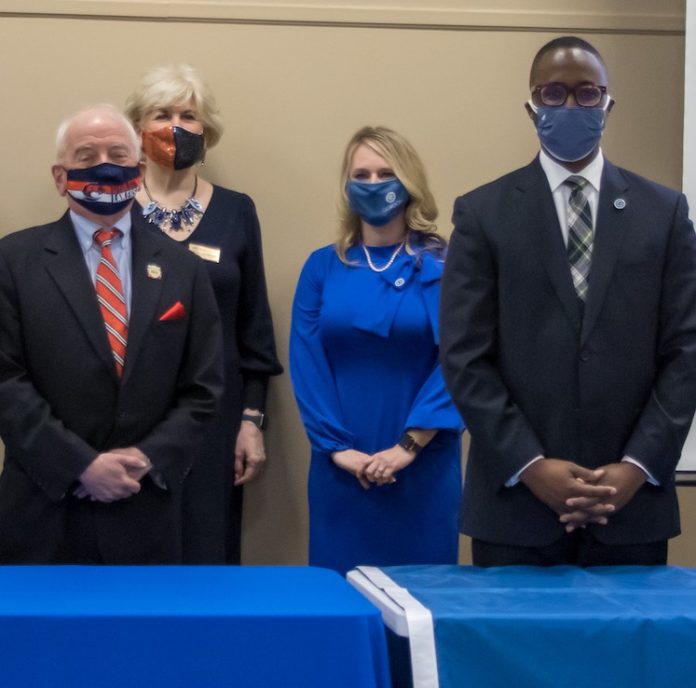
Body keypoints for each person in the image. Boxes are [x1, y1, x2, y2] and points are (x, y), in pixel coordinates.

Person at [440, 36, 696, 567]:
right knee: (514, 653)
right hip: (515, 507)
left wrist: (636, 465)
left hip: (631, 507)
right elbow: (465, 358)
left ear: (608, 104)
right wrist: (530, 464)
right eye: (553, 94)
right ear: (531, 107)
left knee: (628, 654)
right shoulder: (482, 213)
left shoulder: (664, 213)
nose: (570, 106)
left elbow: (686, 352)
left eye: (586, 93)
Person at [0, 104, 224, 563]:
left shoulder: (183, 268)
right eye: (86, 156)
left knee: (146, 636)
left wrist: (145, 459)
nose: (104, 165)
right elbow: (5, 381)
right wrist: (80, 465)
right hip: (44, 508)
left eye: (118, 154)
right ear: (60, 177)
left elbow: (204, 388)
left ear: (139, 171)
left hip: (147, 506)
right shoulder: (12, 260)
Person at [125, 65, 282, 564]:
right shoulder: (112, 211)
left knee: (207, 556)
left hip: (217, 421)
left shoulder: (237, 211)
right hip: (129, 418)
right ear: (138, 128)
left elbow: (253, 329)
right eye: (161, 114)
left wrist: (251, 421)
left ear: (206, 131)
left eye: (188, 115)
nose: (176, 127)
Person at [290, 126, 464, 575]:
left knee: (422, 606)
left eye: (386, 173)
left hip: (423, 465)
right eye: (361, 175)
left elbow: (460, 360)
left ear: (409, 183)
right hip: (339, 469)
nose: (373, 185)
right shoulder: (322, 267)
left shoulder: (444, 265)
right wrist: (337, 449)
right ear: (346, 187)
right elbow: (307, 363)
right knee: (341, 602)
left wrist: (408, 446)